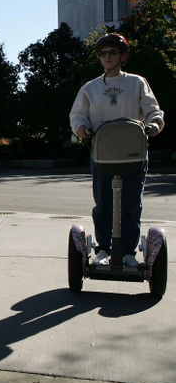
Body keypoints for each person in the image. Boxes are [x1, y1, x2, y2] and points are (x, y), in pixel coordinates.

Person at [70, 33, 164, 268]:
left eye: (113, 52)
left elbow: (153, 110)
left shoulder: (136, 82)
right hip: (103, 153)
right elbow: (77, 115)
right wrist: (81, 128)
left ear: (123, 56)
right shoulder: (90, 88)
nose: (108, 57)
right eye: (103, 53)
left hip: (133, 152)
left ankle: (129, 251)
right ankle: (103, 249)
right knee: (103, 204)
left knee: (131, 204)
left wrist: (154, 124)